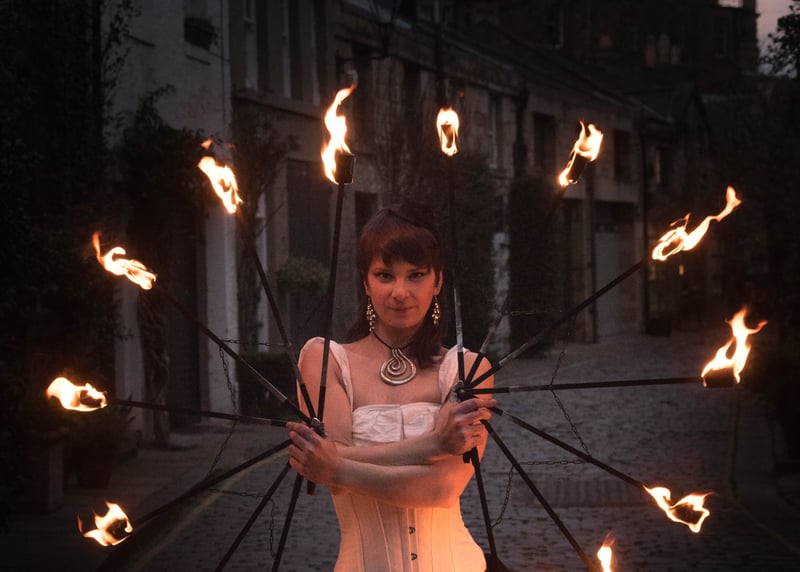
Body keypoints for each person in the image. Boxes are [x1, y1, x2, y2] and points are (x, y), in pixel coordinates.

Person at [287, 201, 496, 572]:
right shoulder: (324, 361)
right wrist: (435, 444)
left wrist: (336, 466)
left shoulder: (468, 371)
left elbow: (442, 488)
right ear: (366, 282)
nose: (400, 291)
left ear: (438, 281)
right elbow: (336, 486)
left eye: (415, 275)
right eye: (385, 275)